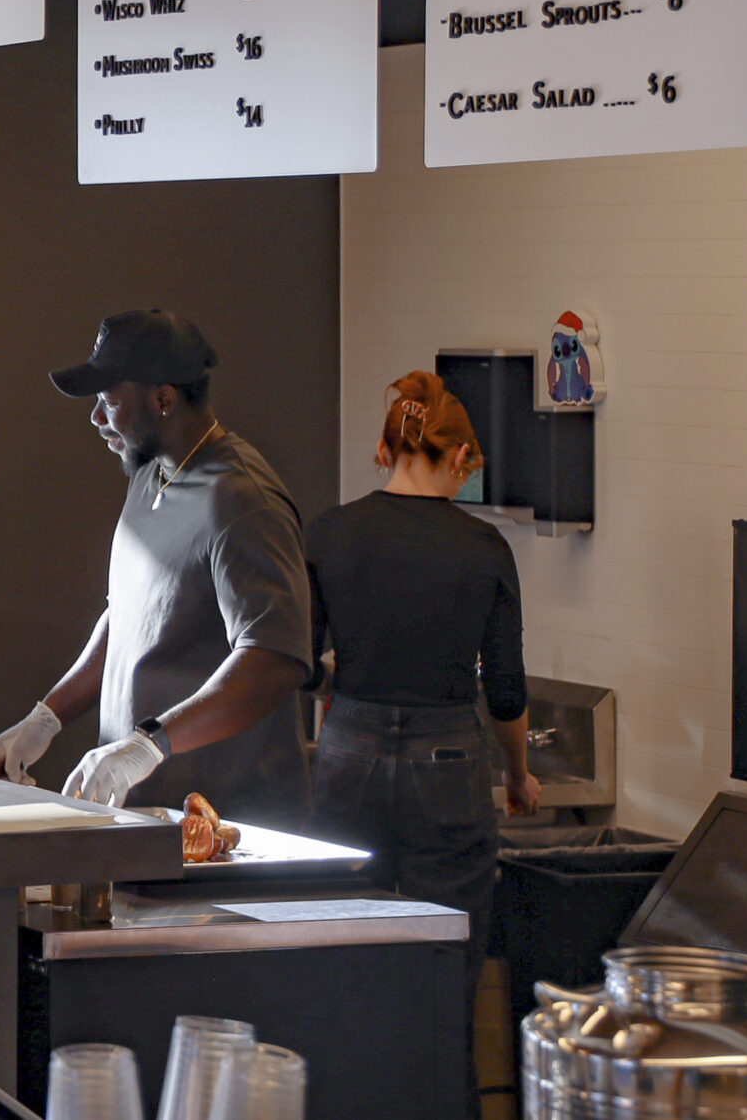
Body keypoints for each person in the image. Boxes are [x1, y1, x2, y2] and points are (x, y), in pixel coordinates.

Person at [302, 371, 537, 1119]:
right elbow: (504, 689)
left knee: (342, 965)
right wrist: (520, 774)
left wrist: (344, 677)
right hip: (449, 764)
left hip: (347, 758)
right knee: (444, 979)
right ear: (460, 456)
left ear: (388, 447)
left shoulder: (331, 531)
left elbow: (301, 662)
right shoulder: (483, 547)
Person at [0, 309, 315, 827]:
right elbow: (127, 618)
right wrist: (46, 717)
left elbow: (271, 660)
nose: (96, 418)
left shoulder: (242, 500)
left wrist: (149, 743)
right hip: (145, 818)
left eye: (110, 401)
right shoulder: (151, 474)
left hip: (231, 826)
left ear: (162, 399)